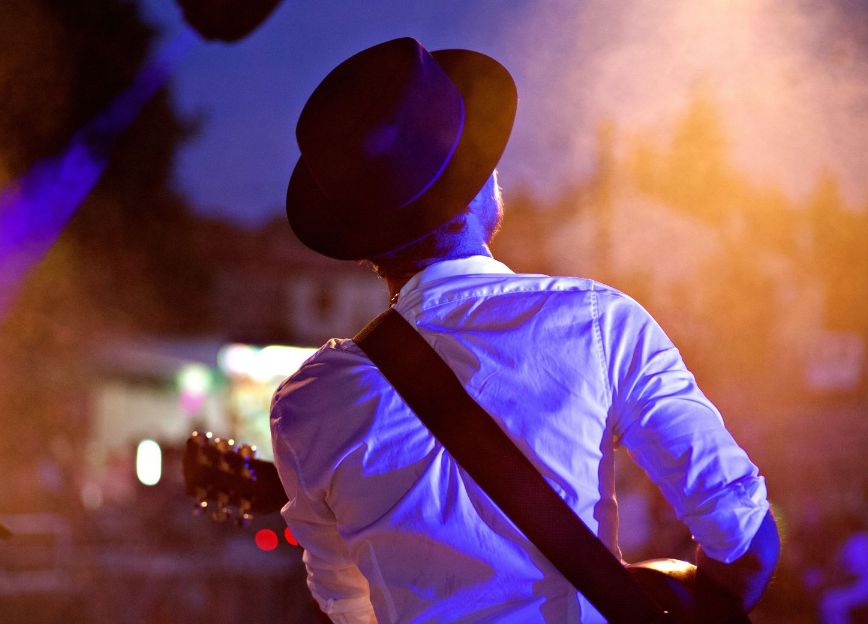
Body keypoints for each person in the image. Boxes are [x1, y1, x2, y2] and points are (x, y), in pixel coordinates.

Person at [270, 37, 780, 623]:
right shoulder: (599, 324)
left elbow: (347, 603)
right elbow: (745, 544)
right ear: (484, 185)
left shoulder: (307, 407)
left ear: (363, 243)